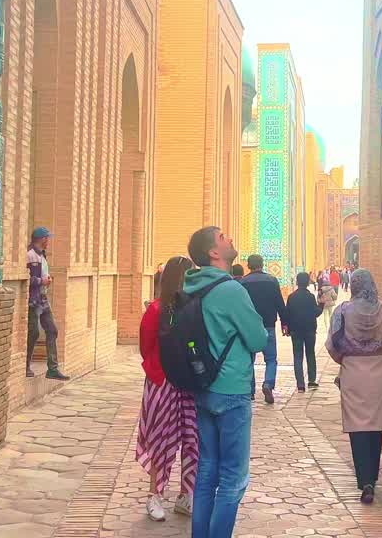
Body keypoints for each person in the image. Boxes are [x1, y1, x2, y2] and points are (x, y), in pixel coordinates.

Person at [185, 226, 267, 538]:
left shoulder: (191, 287)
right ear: (213, 253)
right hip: (231, 390)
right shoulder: (231, 290)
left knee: (207, 472)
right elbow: (258, 338)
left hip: (203, 387)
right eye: (222, 237)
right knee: (233, 478)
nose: (229, 237)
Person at [327, 269, 382, 504]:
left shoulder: (342, 311)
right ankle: (373, 475)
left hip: (353, 373)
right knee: (375, 425)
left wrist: (346, 360)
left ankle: (365, 481)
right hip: (380, 371)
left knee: (358, 426)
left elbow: (332, 343)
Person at [136, 256, 199, 521]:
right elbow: (146, 346)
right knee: (162, 441)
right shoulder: (157, 311)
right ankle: (155, 495)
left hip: (187, 386)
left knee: (191, 439)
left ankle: (185, 495)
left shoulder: (194, 309)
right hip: (163, 384)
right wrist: (158, 372)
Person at [238, 254, 288, 403]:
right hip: (268, 325)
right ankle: (268, 383)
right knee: (271, 359)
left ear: (248, 265)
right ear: (262, 264)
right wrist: (285, 322)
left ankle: (251, 390)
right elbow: (279, 303)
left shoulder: (243, 282)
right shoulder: (272, 281)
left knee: (249, 360)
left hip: (249, 326)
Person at [26, 227, 68, 380]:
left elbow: (41, 276)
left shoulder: (42, 256)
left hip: (43, 299)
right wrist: (40, 281)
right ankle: (25, 366)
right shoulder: (30, 256)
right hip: (34, 300)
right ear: (42, 239)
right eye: (47, 238)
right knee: (33, 333)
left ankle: (52, 369)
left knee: (52, 330)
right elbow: (26, 278)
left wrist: (46, 280)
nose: (49, 241)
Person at [284, 272, 321, 392]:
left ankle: (300, 384)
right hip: (309, 329)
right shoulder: (310, 297)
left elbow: (287, 314)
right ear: (307, 282)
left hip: (295, 330)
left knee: (298, 356)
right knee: (310, 354)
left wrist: (287, 328)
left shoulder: (291, 297)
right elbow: (316, 313)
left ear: (297, 282)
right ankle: (311, 380)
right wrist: (321, 305)